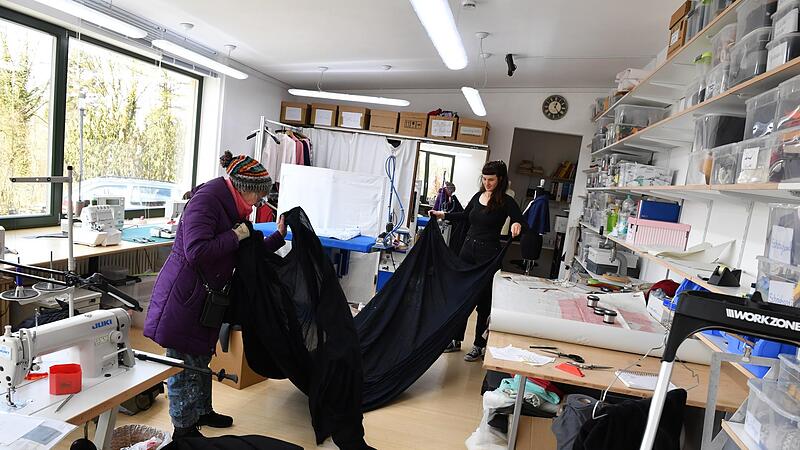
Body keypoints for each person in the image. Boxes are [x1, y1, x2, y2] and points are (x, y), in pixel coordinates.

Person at [144, 151, 287, 439]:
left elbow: (246, 252)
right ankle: (183, 430)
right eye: (258, 196)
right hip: (184, 296)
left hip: (205, 297)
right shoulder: (207, 201)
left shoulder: (233, 207)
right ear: (243, 188)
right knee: (183, 364)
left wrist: (278, 237)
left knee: (200, 358)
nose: (259, 203)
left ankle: (202, 412)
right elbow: (196, 251)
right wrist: (235, 236)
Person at [429, 160, 525, 362]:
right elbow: (465, 216)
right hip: (467, 252)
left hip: (488, 256)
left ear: (500, 179)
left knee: (483, 301)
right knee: (461, 297)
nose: (487, 183)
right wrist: (443, 214)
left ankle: (479, 345)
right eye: (484, 179)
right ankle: (455, 339)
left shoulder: (507, 201)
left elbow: (520, 220)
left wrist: (516, 224)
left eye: (491, 180)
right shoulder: (477, 196)